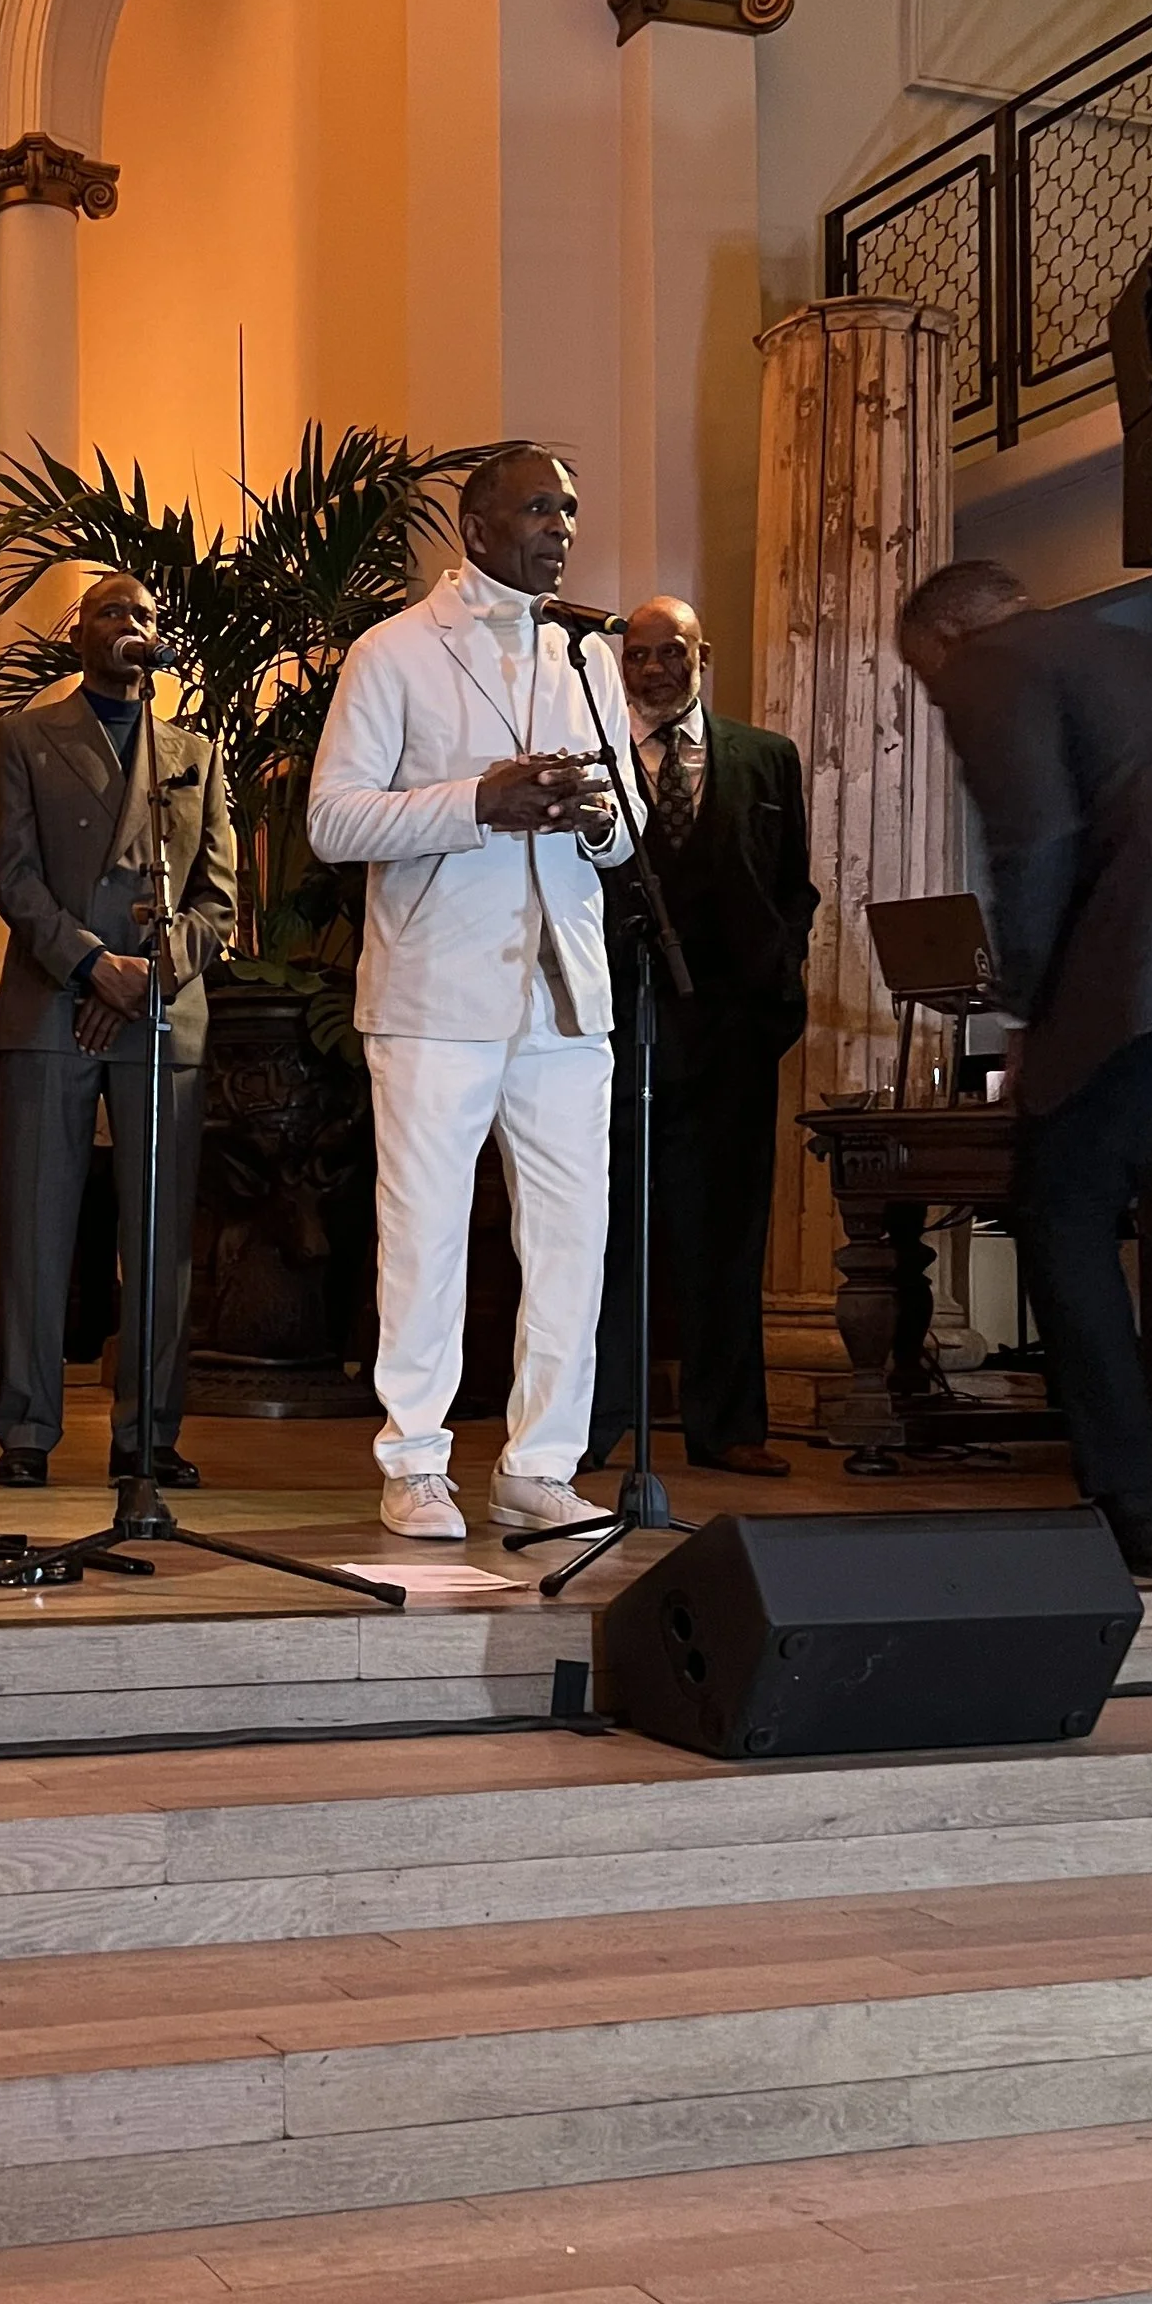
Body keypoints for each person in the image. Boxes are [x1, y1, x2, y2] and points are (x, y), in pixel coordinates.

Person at [306, 445, 638, 1542]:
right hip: (435, 990)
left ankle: (540, 1465)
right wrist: (478, 804)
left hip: (564, 996)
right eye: (542, 506)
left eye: (572, 509)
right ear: (477, 526)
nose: (562, 527)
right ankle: (414, 1462)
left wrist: (592, 815)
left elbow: (628, 830)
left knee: (569, 1236)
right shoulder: (392, 652)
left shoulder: (585, 658)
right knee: (426, 1233)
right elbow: (335, 820)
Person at [899, 559, 1152, 1578]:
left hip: (1146, 977)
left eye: (925, 684)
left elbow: (1034, 843)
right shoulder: (1140, 652)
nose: (938, 702)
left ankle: (1136, 1505)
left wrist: (1021, 1008)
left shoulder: (992, 662)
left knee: (1058, 1206)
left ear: (942, 641)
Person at [0, 572, 237, 1487]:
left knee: (161, 1233)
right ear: (79, 632)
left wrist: (151, 976)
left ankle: (149, 1432)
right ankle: (25, 1429)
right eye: (113, 612)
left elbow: (219, 899)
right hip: (55, 1002)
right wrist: (95, 965)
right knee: (37, 1224)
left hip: (165, 1014)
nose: (132, 624)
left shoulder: (194, 753)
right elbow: (12, 879)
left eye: (146, 615)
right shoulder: (24, 739)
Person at [588, 595, 816, 1478]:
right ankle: (598, 1422)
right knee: (608, 1235)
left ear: (701, 654)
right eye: (639, 654)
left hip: (730, 1030)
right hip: (617, 1023)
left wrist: (778, 985)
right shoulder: (593, 762)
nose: (654, 668)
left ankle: (729, 1425)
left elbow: (794, 885)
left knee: (727, 1232)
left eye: (671, 651)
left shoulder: (767, 758)